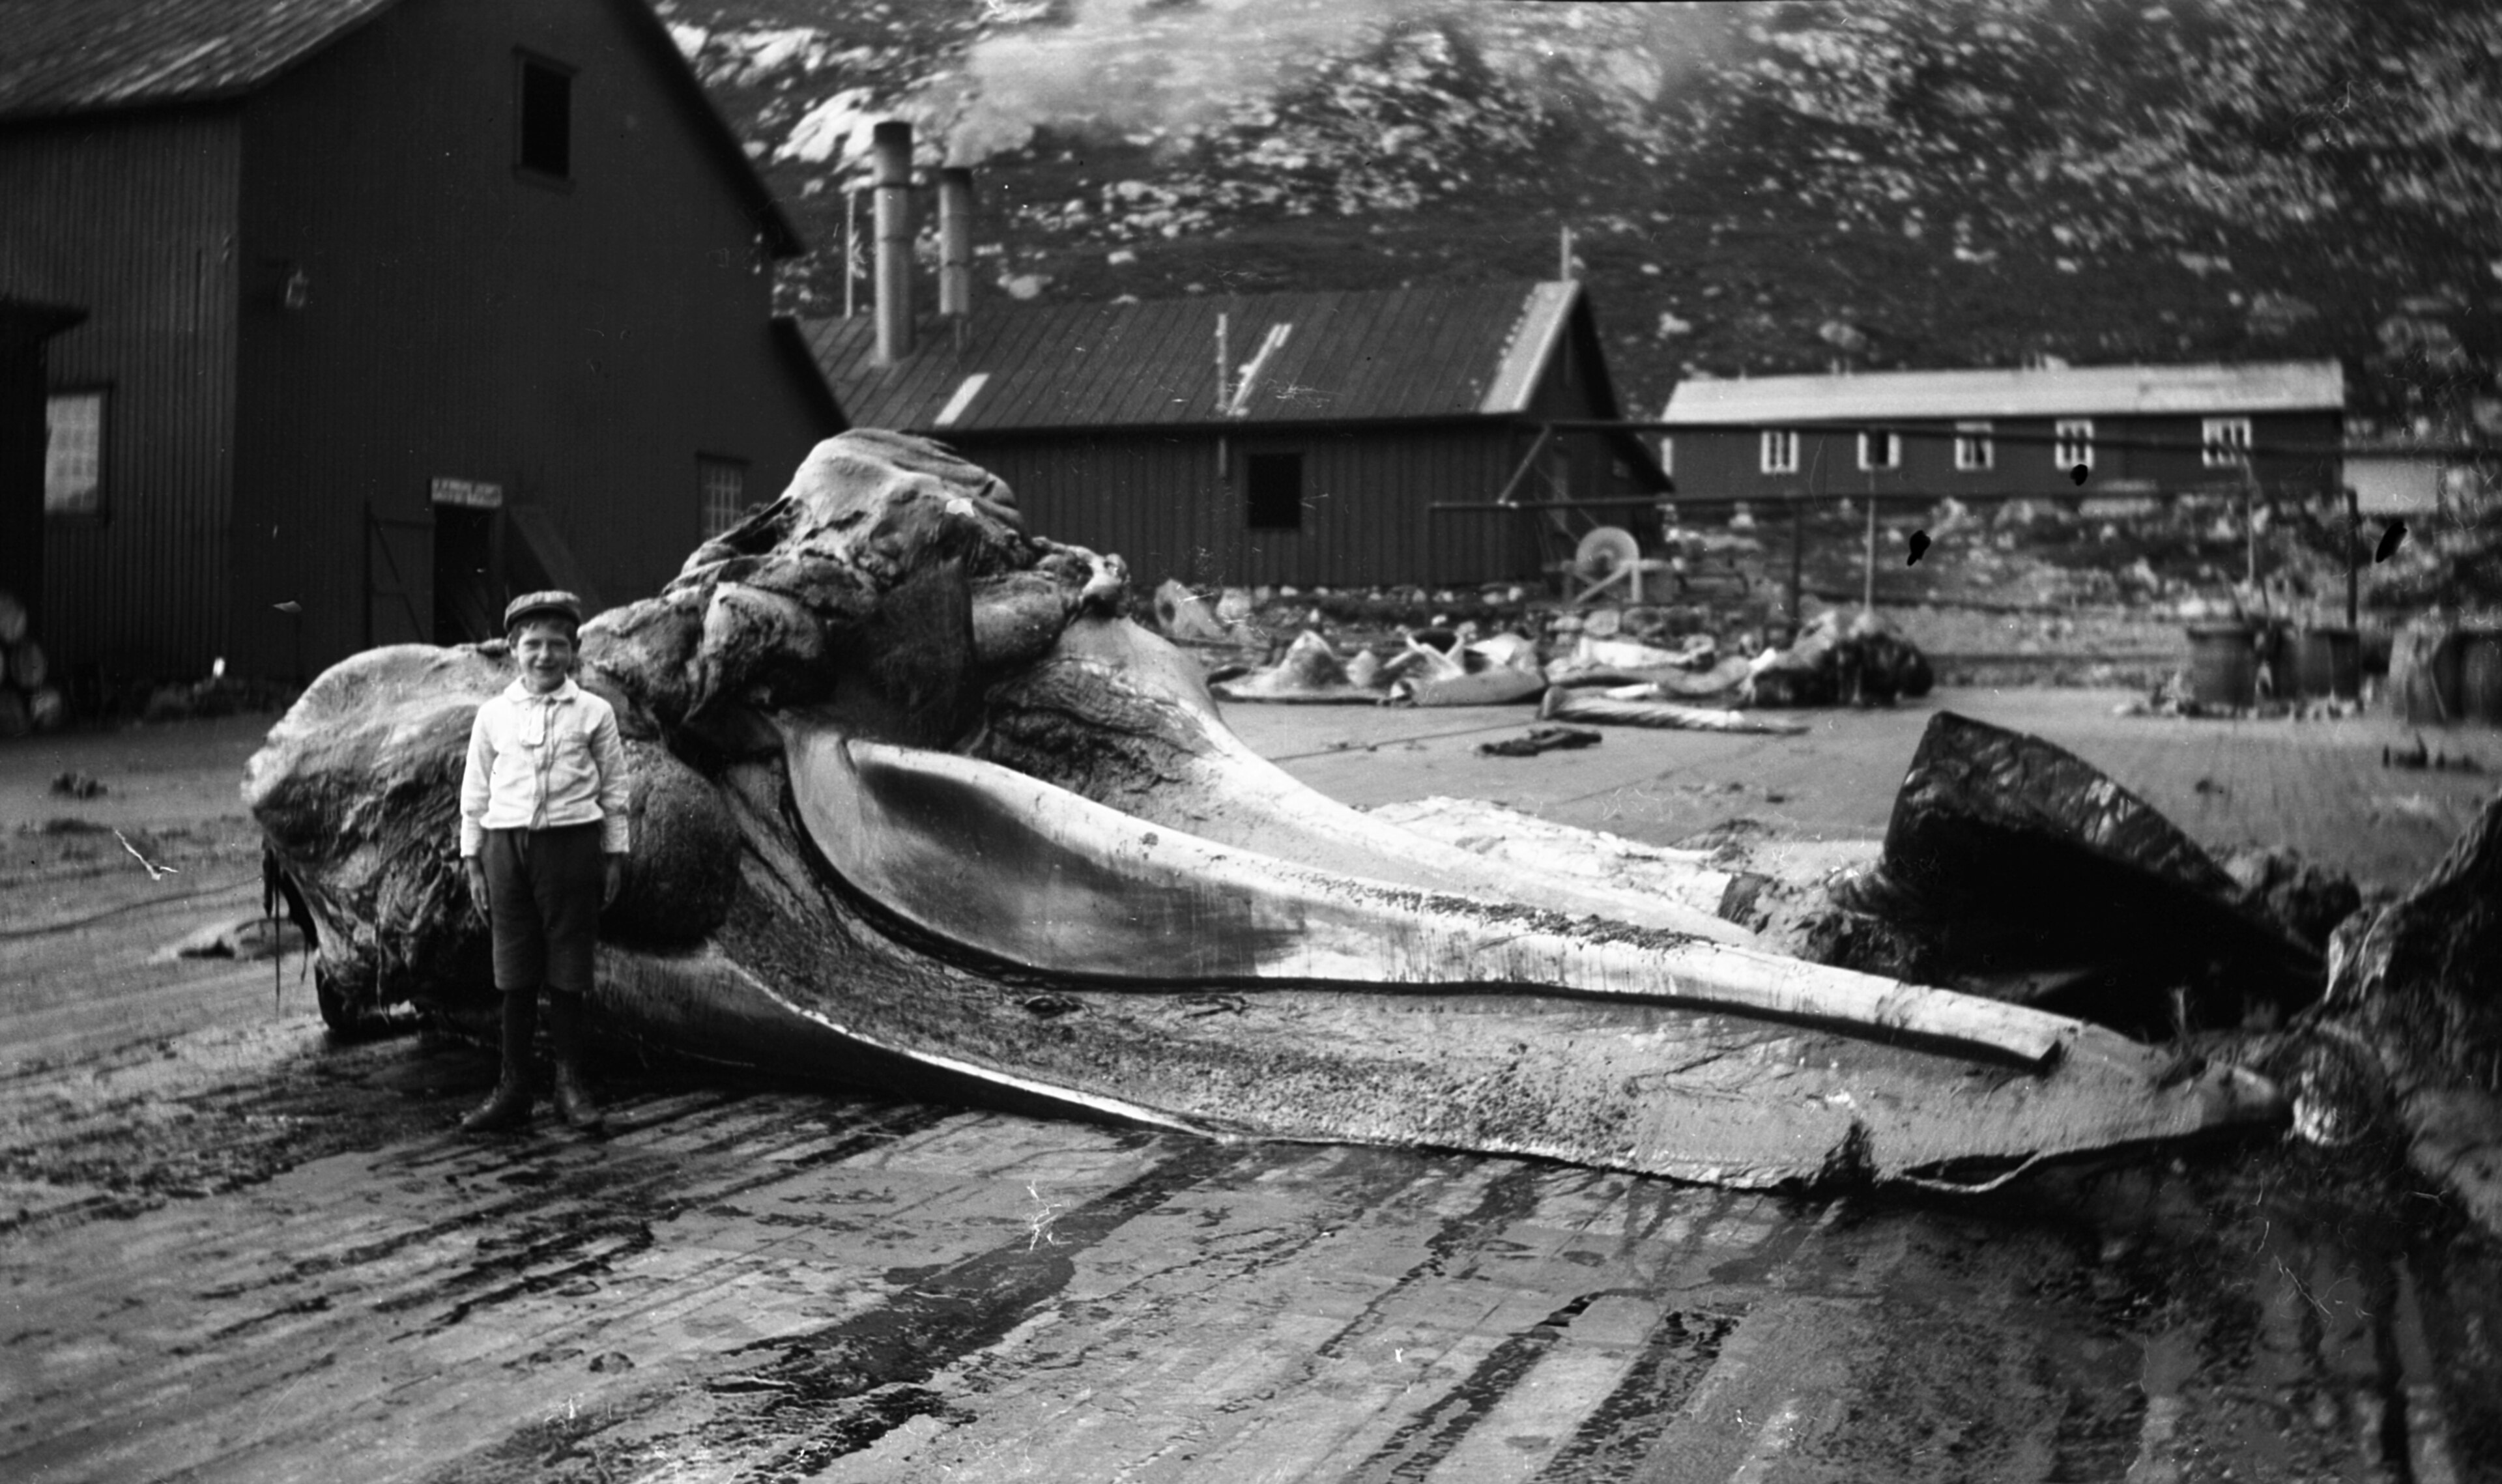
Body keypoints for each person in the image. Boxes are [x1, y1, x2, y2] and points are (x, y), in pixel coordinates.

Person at [456, 591, 631, 1134]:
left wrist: (614, 853)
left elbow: (616, 789)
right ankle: (513, 1088)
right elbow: (475, 792)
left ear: (574, 650)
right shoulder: (493, 716)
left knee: (568, 969)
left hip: (571, 848)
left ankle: (569, 1086)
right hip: (505, 850)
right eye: (532, 644)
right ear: (512, 649)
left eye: (558, 645)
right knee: (514, 972)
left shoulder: (594, 713)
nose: (544, 656)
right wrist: (473, 860)